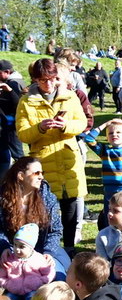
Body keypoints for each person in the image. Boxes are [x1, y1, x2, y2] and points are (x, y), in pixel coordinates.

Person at [16, 58, 88, 249]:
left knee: (71, 204)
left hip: (68, 157)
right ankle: (45, 249)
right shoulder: (26, 101)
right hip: (42, 161)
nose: (48, 84)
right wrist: (39, 128)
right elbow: (22, 134)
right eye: (42, 80)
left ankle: (70, 247)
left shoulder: (70, 97)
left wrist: (65, 126)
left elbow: (82, 123)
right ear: (35, 79)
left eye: (51, 79)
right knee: (44, 208)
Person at [0, 157, 69, 278]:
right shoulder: (3, 199)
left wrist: (49, 253)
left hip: (43, 249)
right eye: (37, 173)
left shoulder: (48, 198)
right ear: (21, 176)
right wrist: (4, 248)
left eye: (42, 173)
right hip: (13, 250)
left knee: (58, 277)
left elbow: (55, 230)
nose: (41, 177)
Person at [0, 223, 55, 300]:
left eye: (21, 247)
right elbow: (2, 274)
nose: (17, 249)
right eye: (15, 245)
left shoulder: (39, 259)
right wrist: (6, 283)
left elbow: (49, 272)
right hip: (14, 290)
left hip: (32, 290)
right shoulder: (10, 259)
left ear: (31, 247)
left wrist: (42, 281)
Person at [0, 59, 23, 179]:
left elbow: (19, 104)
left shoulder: (14, 84)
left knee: (18, 155)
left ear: (7, 72)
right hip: (4, 126)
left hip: (12, 126)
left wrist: (9, 91)